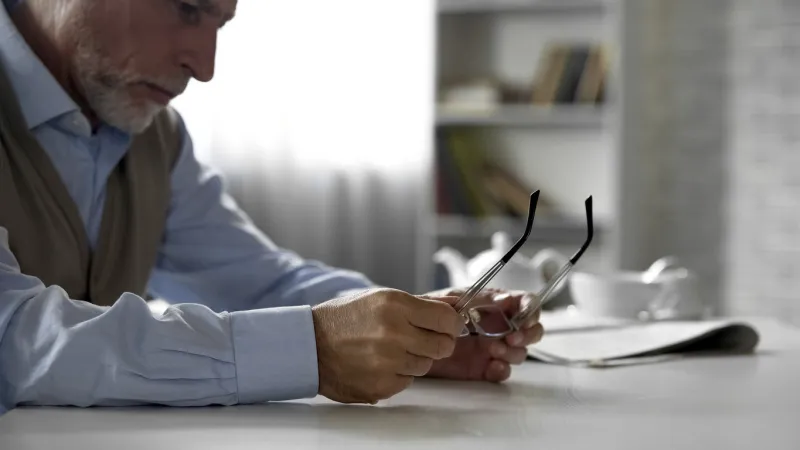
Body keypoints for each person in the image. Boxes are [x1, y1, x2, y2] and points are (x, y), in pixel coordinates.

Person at [0, 0, 544, 415]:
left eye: (220, 24)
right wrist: (311, 350)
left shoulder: (154, 136)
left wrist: (411, 331)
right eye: (187, 8)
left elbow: (258, 281)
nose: (204, 66)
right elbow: (13, 336)